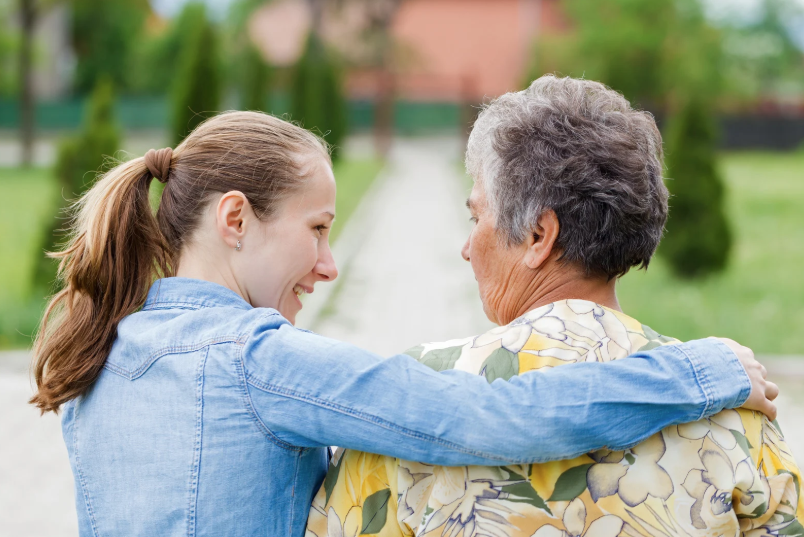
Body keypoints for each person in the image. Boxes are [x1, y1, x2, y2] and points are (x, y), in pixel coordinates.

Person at [30, 111, 774, 537]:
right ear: (234, 217)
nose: (328, 264)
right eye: (318, 228)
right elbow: (492, 416)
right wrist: (700, 370)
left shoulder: (96, 354)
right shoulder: (257, 360)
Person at [307, 76, 798, 537]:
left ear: (538, 236)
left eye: (476, 215)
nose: (466, 247)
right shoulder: (739, 407)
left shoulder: (413, 400)